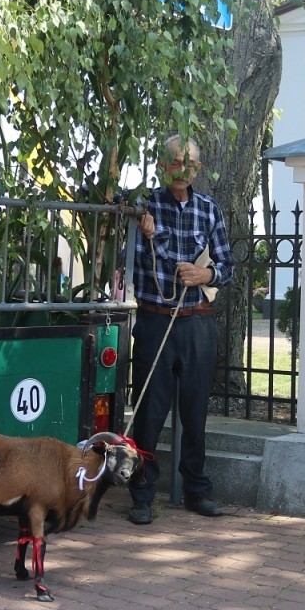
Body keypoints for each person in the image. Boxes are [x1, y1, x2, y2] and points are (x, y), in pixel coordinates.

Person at [127, 135, 234, 525]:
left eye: (187, 162)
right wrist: (140, 223)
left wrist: (205, 273)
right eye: (173, 161)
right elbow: (111, 209)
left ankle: (196, 490)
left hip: (197, 323)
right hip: (156, 320)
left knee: (195, 412)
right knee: (149, 413)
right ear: (162, 164)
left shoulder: (210, 209)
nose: (180, 169)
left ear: (197, 169)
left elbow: (227, 264)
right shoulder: (144, 204)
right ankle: (141, 494)